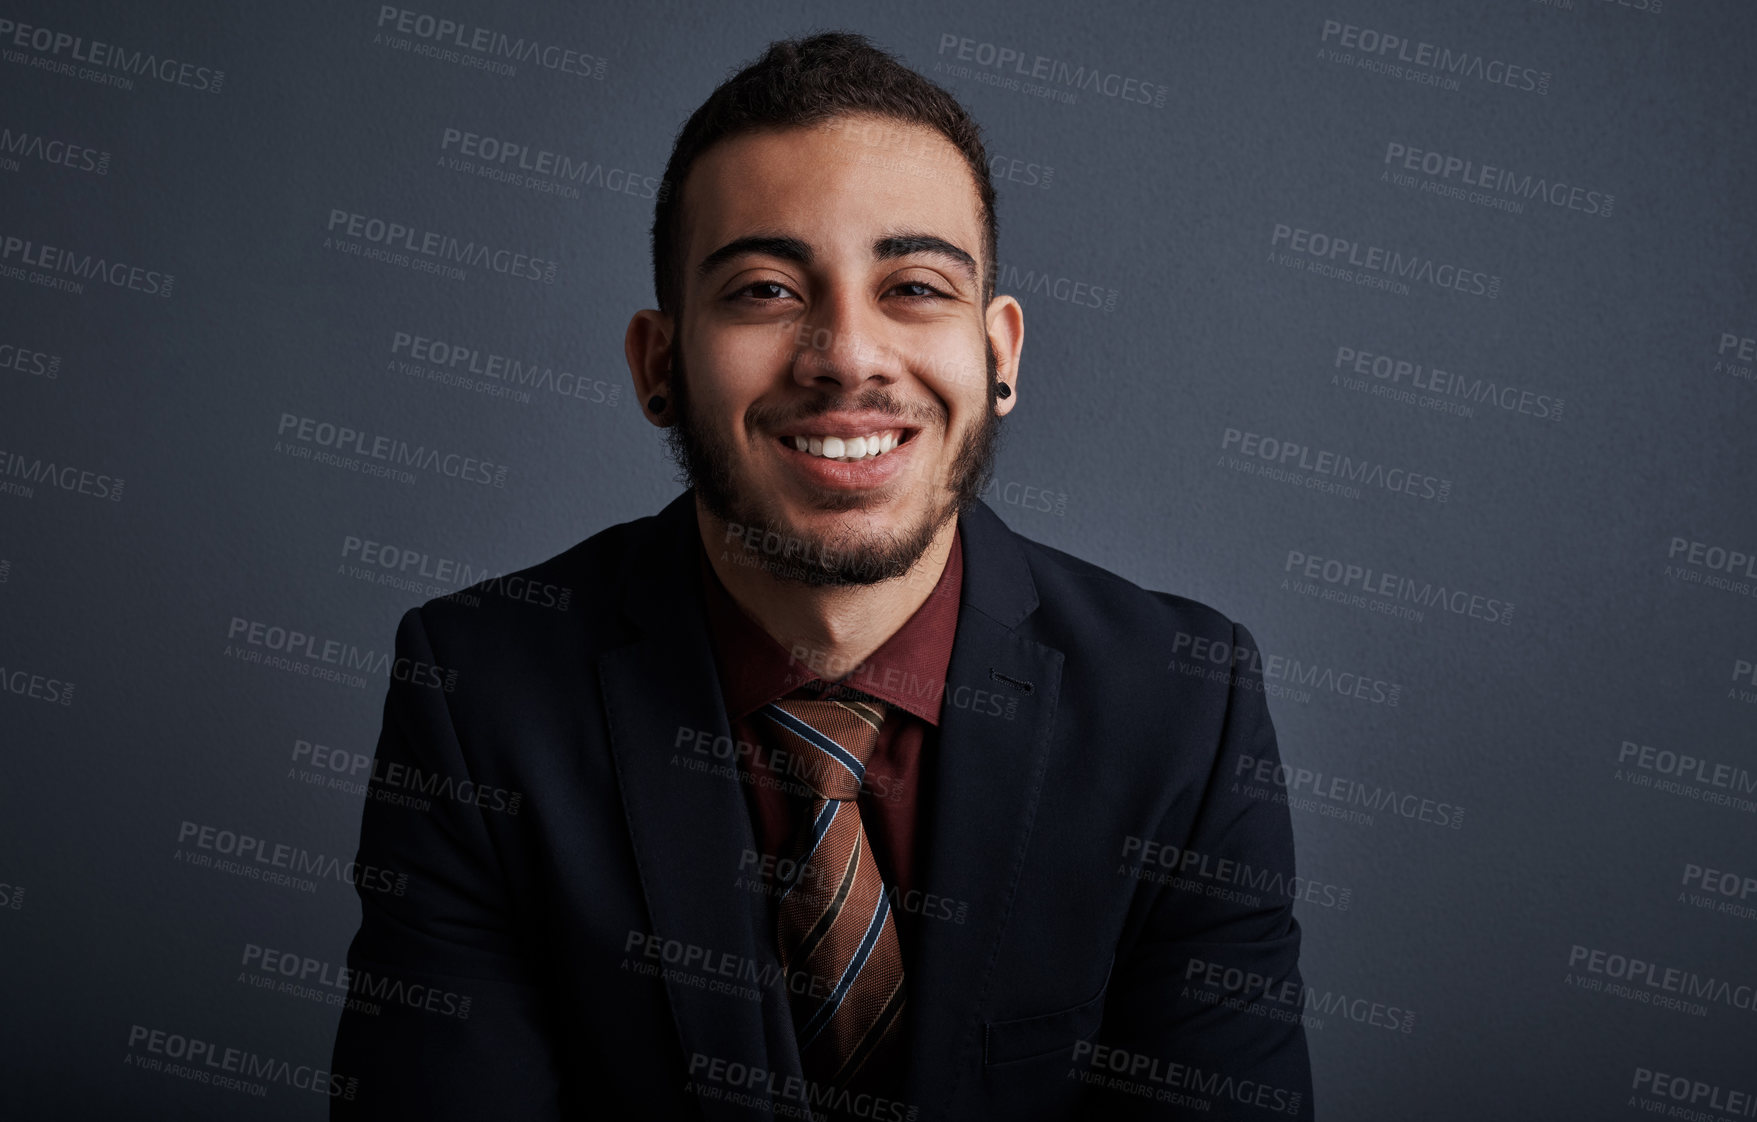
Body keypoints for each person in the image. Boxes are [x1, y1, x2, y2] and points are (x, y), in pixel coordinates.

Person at [331, 30, 1313, 1121]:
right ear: (659, 364)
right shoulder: (479, 694)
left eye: (914, 287)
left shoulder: (1182, 707)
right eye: (762, 288)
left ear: (1000, 356)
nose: (847, 353)